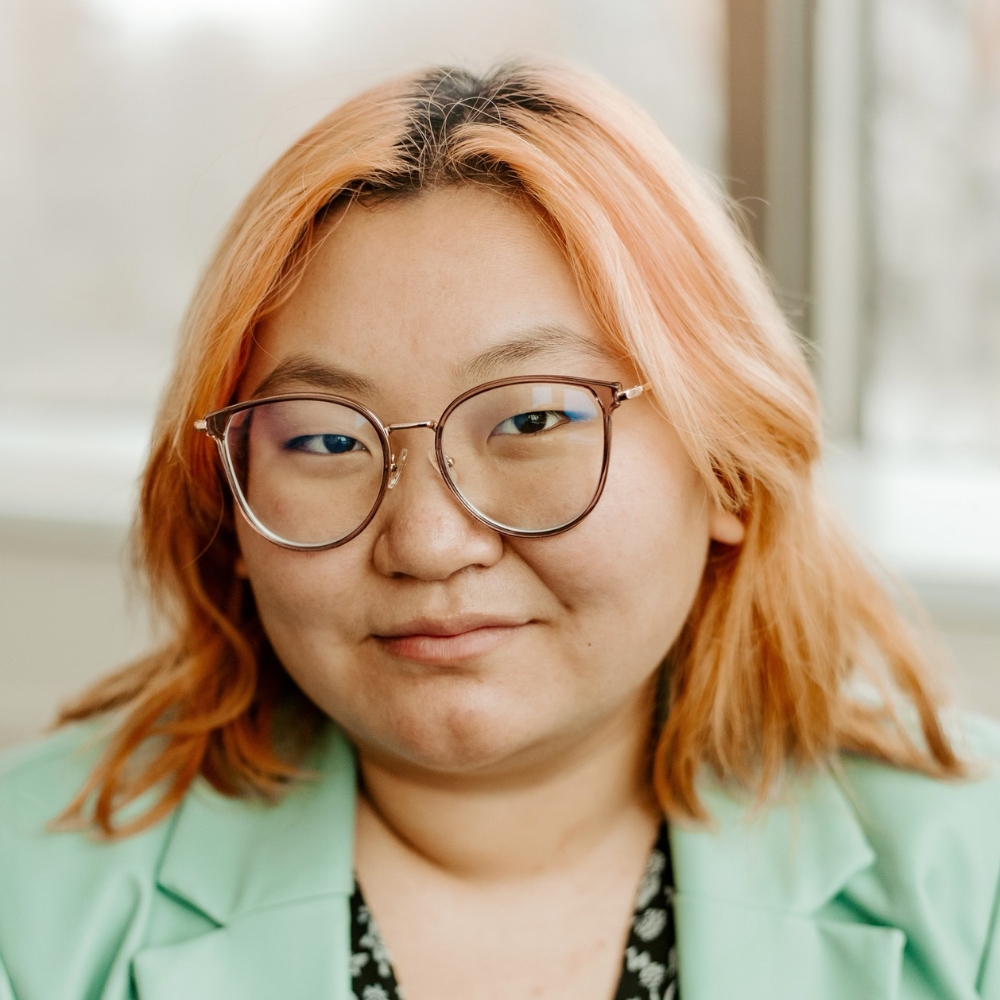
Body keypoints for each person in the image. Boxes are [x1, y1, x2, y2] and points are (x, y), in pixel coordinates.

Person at [0, 63, 998, 1000]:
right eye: (321, 438)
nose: (429, 542)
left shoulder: (975, 883)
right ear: (229, 504)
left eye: (532, 421)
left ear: (727, 467)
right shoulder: (24, 899)